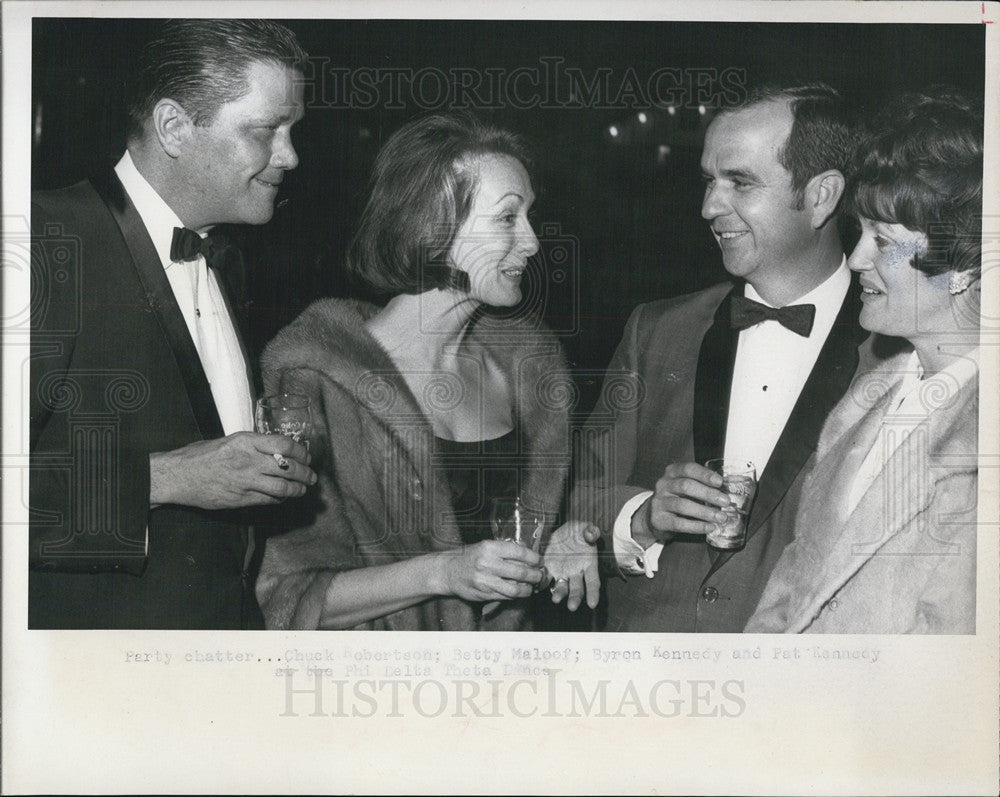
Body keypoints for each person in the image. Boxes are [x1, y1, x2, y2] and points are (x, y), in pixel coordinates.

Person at [256, 113, 599, 631]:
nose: (531, 242)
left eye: (529, 216)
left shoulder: (527, 375)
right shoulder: (319, 379)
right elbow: (286, 596)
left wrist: (558, 544)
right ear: (431, 224)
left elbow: (499, 545)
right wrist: (443, 573)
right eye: (508, 218)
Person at [29, 19, 316, 629]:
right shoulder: (45, 241)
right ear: (174, 127)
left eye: (292, 132)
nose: (290, 156)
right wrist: (167, 477)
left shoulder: (226, 260)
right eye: (266, 130)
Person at [573, 83, 867, 632]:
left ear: (822, 195)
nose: (709, 206)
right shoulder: (657, 330)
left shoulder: (897, 348)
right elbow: (578, 501)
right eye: (710, 181)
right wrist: (643, 519)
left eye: (740, 182)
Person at [747, 90, 981, 633]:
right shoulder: (863, 403)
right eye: (861, 234)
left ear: (963, 261)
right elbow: (789, 591)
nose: (856, 259)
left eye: (885, 241)